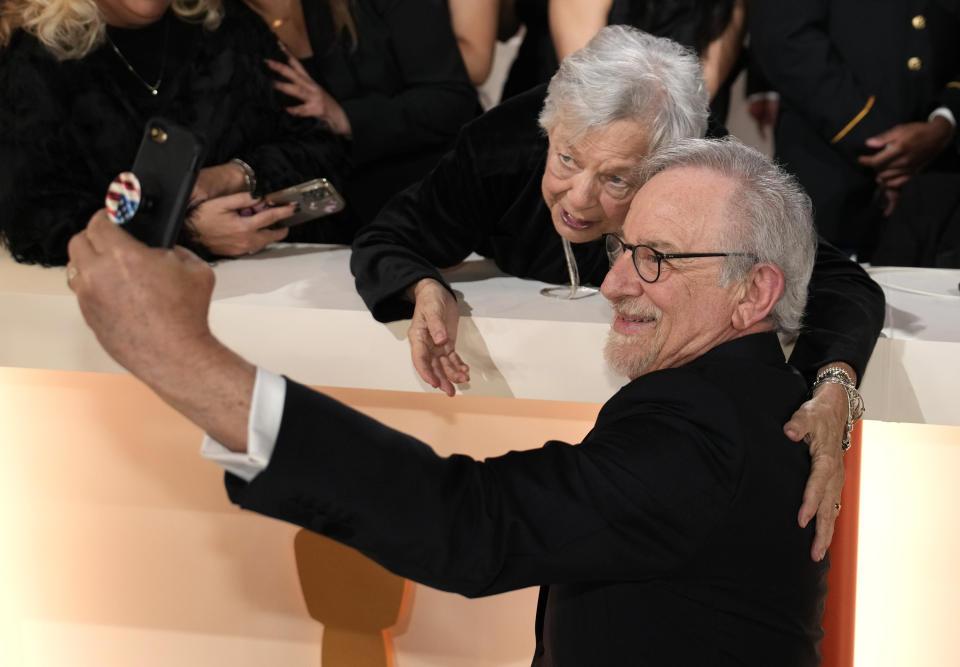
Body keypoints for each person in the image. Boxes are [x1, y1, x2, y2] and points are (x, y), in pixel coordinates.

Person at [67, 137, 837, 665]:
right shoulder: (758, 387)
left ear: (754, 293)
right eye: (619, 249)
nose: (613, 284)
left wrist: (179, 357)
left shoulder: (703, 434)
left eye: (654, 259)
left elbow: (469, 521)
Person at [349, 27, 884, 559]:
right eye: (566, 159)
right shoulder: (503, 141)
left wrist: (834, 385)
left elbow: (837, 279)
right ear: (549, 129)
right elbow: (390, 234)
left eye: (617, 180)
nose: (577, 200)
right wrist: (424, 285)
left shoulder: (705, 173)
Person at [0, 0, 346, 266]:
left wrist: (235, 175)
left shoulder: (231, 26)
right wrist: (184, 234)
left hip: (281, 292)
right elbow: (34, 221)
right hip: (128, 313)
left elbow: (323, 147)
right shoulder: (37, 60)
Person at [750, 0, 960, 257]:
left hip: (938, 182)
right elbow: (784, 38)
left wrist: (945, 122)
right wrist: (887, 147)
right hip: (829, 171)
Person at [244, 0, 481, 224]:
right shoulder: (222, 19)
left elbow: (451, 99)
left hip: (424, 207)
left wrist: (346, 117)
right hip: (303, 224)